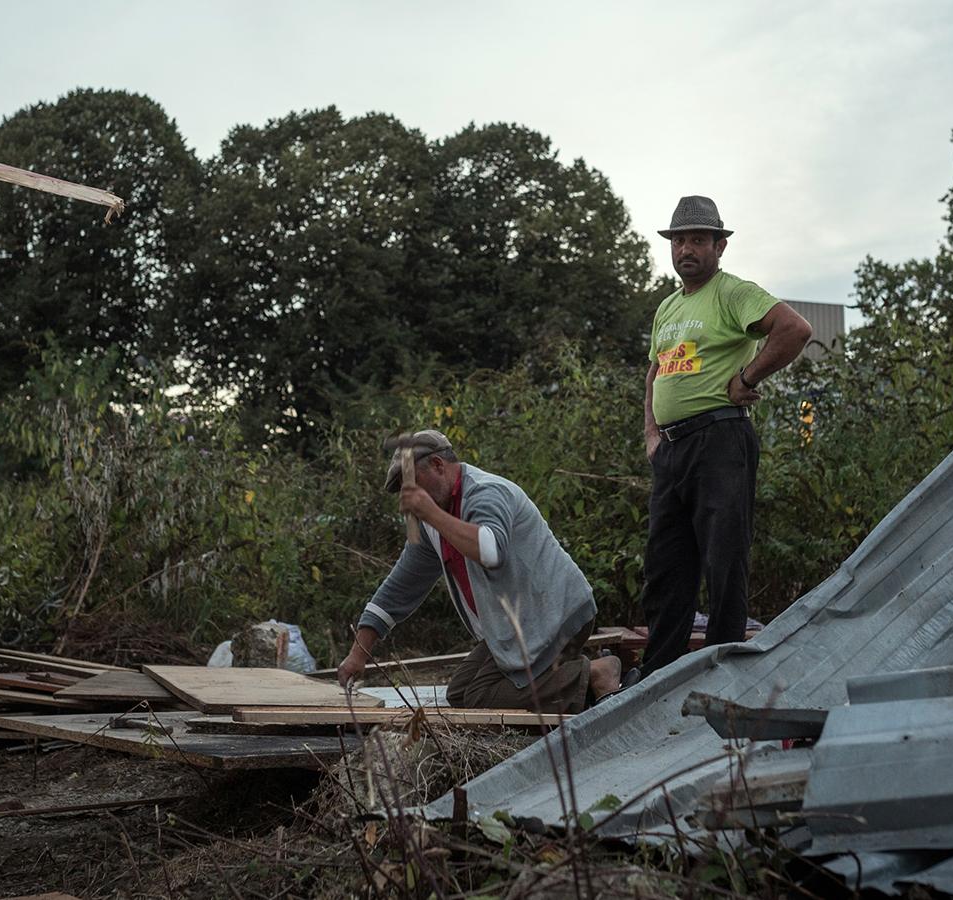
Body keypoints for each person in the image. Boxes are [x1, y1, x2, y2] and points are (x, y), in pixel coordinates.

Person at [637, 196, 812, 677]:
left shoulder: (733, 293)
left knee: (723, 560)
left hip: (719, 440)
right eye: (678, 240)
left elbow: (794, 330)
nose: (685, 249)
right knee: (665, 568)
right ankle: (657, 679)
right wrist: (652, 434)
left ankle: (722, 673)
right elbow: (655, 372)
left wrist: (748, 378)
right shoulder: (669, 307)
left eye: (697, 239)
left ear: (720, 245)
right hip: (671, 451)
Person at [335, 430, 623, 712]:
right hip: (517, 625)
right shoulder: (431, 526)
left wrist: (431, 514)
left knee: (481, 696)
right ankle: (578, 685)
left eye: (413, 484)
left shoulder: (486, 492)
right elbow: (398, 589)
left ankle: (597, 672)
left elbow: (490, 550)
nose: (410, 497)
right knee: (460, 692)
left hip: (557, 616)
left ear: (438, 465)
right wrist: (358, 655)